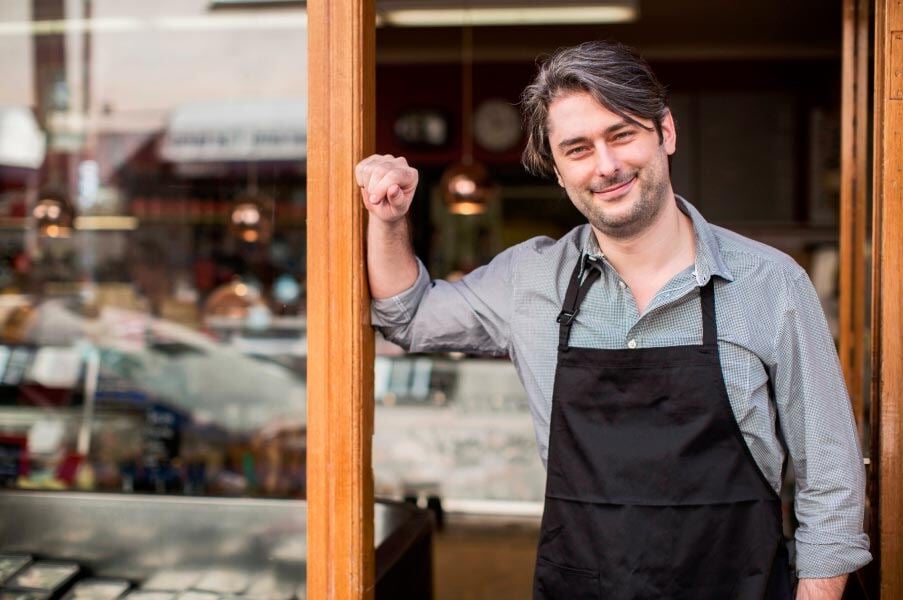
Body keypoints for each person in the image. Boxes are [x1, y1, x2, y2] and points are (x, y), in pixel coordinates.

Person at [356, 41, 870, 600]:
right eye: (577, 149)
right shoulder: (530, 280)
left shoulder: (770, 283)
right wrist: (388, 220)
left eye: (621, 134)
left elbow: (831, 477)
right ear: (557, 170)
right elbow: (410, 317)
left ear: (665, 133)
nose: (606, 165)